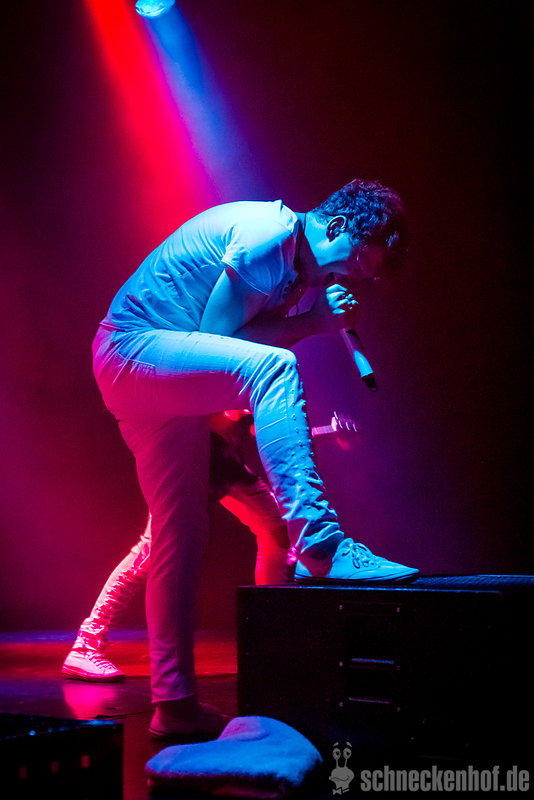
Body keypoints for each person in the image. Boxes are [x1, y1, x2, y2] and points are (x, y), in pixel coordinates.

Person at [91, 178, 418, 740]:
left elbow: (227, 348)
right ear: (338, 227)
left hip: (157, 375)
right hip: (134, 349)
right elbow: (219, 339)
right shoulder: (270, 234)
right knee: (274, 368)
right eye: (361, 263)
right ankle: (319, 544)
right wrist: (313, 324)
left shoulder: (294, 275)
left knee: (180, 531)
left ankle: (174, 706)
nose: (358, 278)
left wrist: (312, 318)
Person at [62, 413, 291, 682]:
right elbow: (224, 409)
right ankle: (85, 645)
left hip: (221, 458)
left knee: (276, 530)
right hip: (193, 453)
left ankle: (270, 636)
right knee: (150, 550)